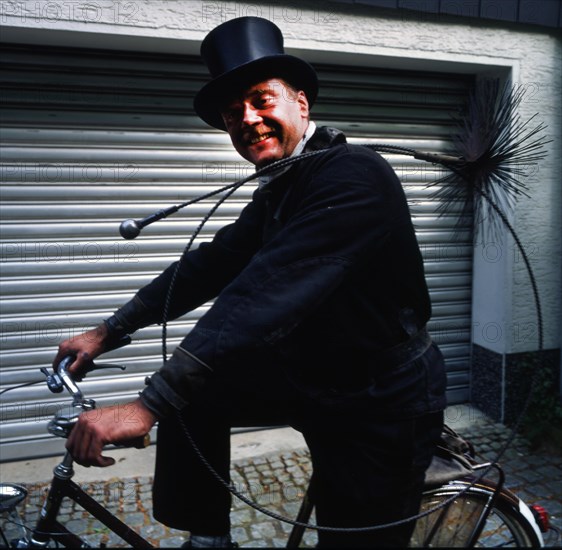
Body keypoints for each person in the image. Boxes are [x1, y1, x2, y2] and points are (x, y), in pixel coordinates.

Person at [56, 16, 447, 548]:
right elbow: (212, 265)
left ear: (301, 104)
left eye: (262, 100)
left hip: (380, 399)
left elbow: (263, 293)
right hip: (315, 376)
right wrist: (109, 330)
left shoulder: (354, 175)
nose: (249, 119)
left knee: (351, 536)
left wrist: (146, 404)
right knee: (195, 398)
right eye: (233, 111)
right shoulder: (281, 190)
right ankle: (208, 539)